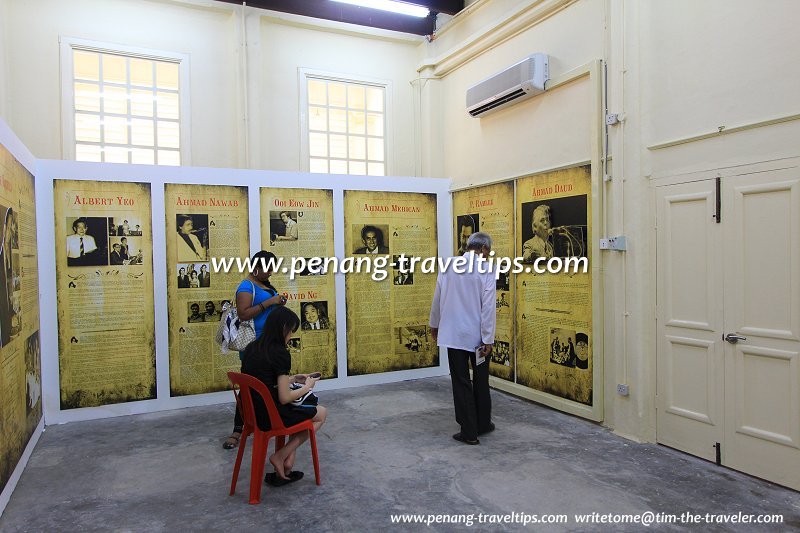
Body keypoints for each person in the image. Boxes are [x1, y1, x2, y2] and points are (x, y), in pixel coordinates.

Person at [241, 306, 327, 485]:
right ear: (283, 329)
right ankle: (280, 456)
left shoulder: (251, 348)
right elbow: (284, 398)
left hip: (253, 413)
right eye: (291, 332)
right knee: (320, 413)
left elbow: (264, 380)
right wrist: (308, 386)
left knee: (301, 411)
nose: (290, 336)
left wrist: (294, 378)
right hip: (272, 415)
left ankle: (288, 462)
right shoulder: (280, 353)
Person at [430, 232, 496, 445]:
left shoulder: (448, 265)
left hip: (454, 335)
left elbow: (438, 298)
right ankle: (482, 424)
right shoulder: (486, 269)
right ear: (484, 249)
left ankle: (469, 430)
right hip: (477, 336)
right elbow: (488, 309)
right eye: (488, 252)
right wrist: (488, 338)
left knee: (461, 382)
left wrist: (435, 324)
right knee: (481, 380)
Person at [223, 251, 286, 450]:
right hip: (253, 345)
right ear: (256, 267)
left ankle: (270, 420)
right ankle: (238, 429)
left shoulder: (264, 284)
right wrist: (270, 302)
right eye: (268, 268)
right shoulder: (246, 286)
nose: (271, 272)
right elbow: (243, 314)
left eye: (272, 268)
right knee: (248, 387)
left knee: (273, 384)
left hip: (270, 344)